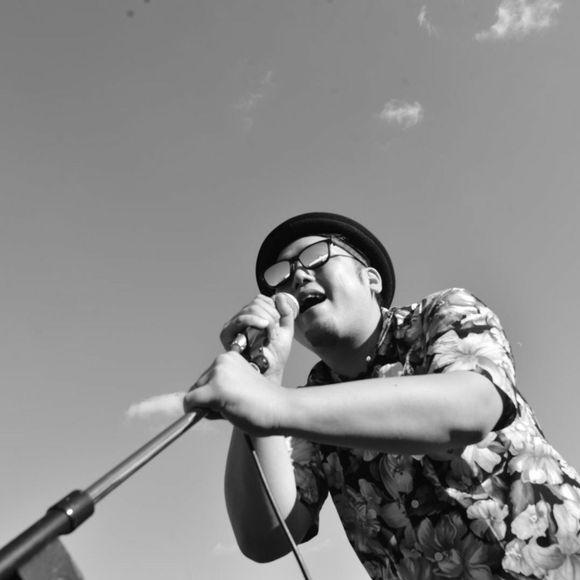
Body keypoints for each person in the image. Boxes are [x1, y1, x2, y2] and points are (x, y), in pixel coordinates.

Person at [184, 212, 580, 580]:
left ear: (371, 280)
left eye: (316, 256)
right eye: (282, 276)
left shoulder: (441, 314)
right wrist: (261, 378)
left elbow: (473, 408)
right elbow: (264, 538)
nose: (298, 276)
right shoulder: (305, 409)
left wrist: (272, 405)